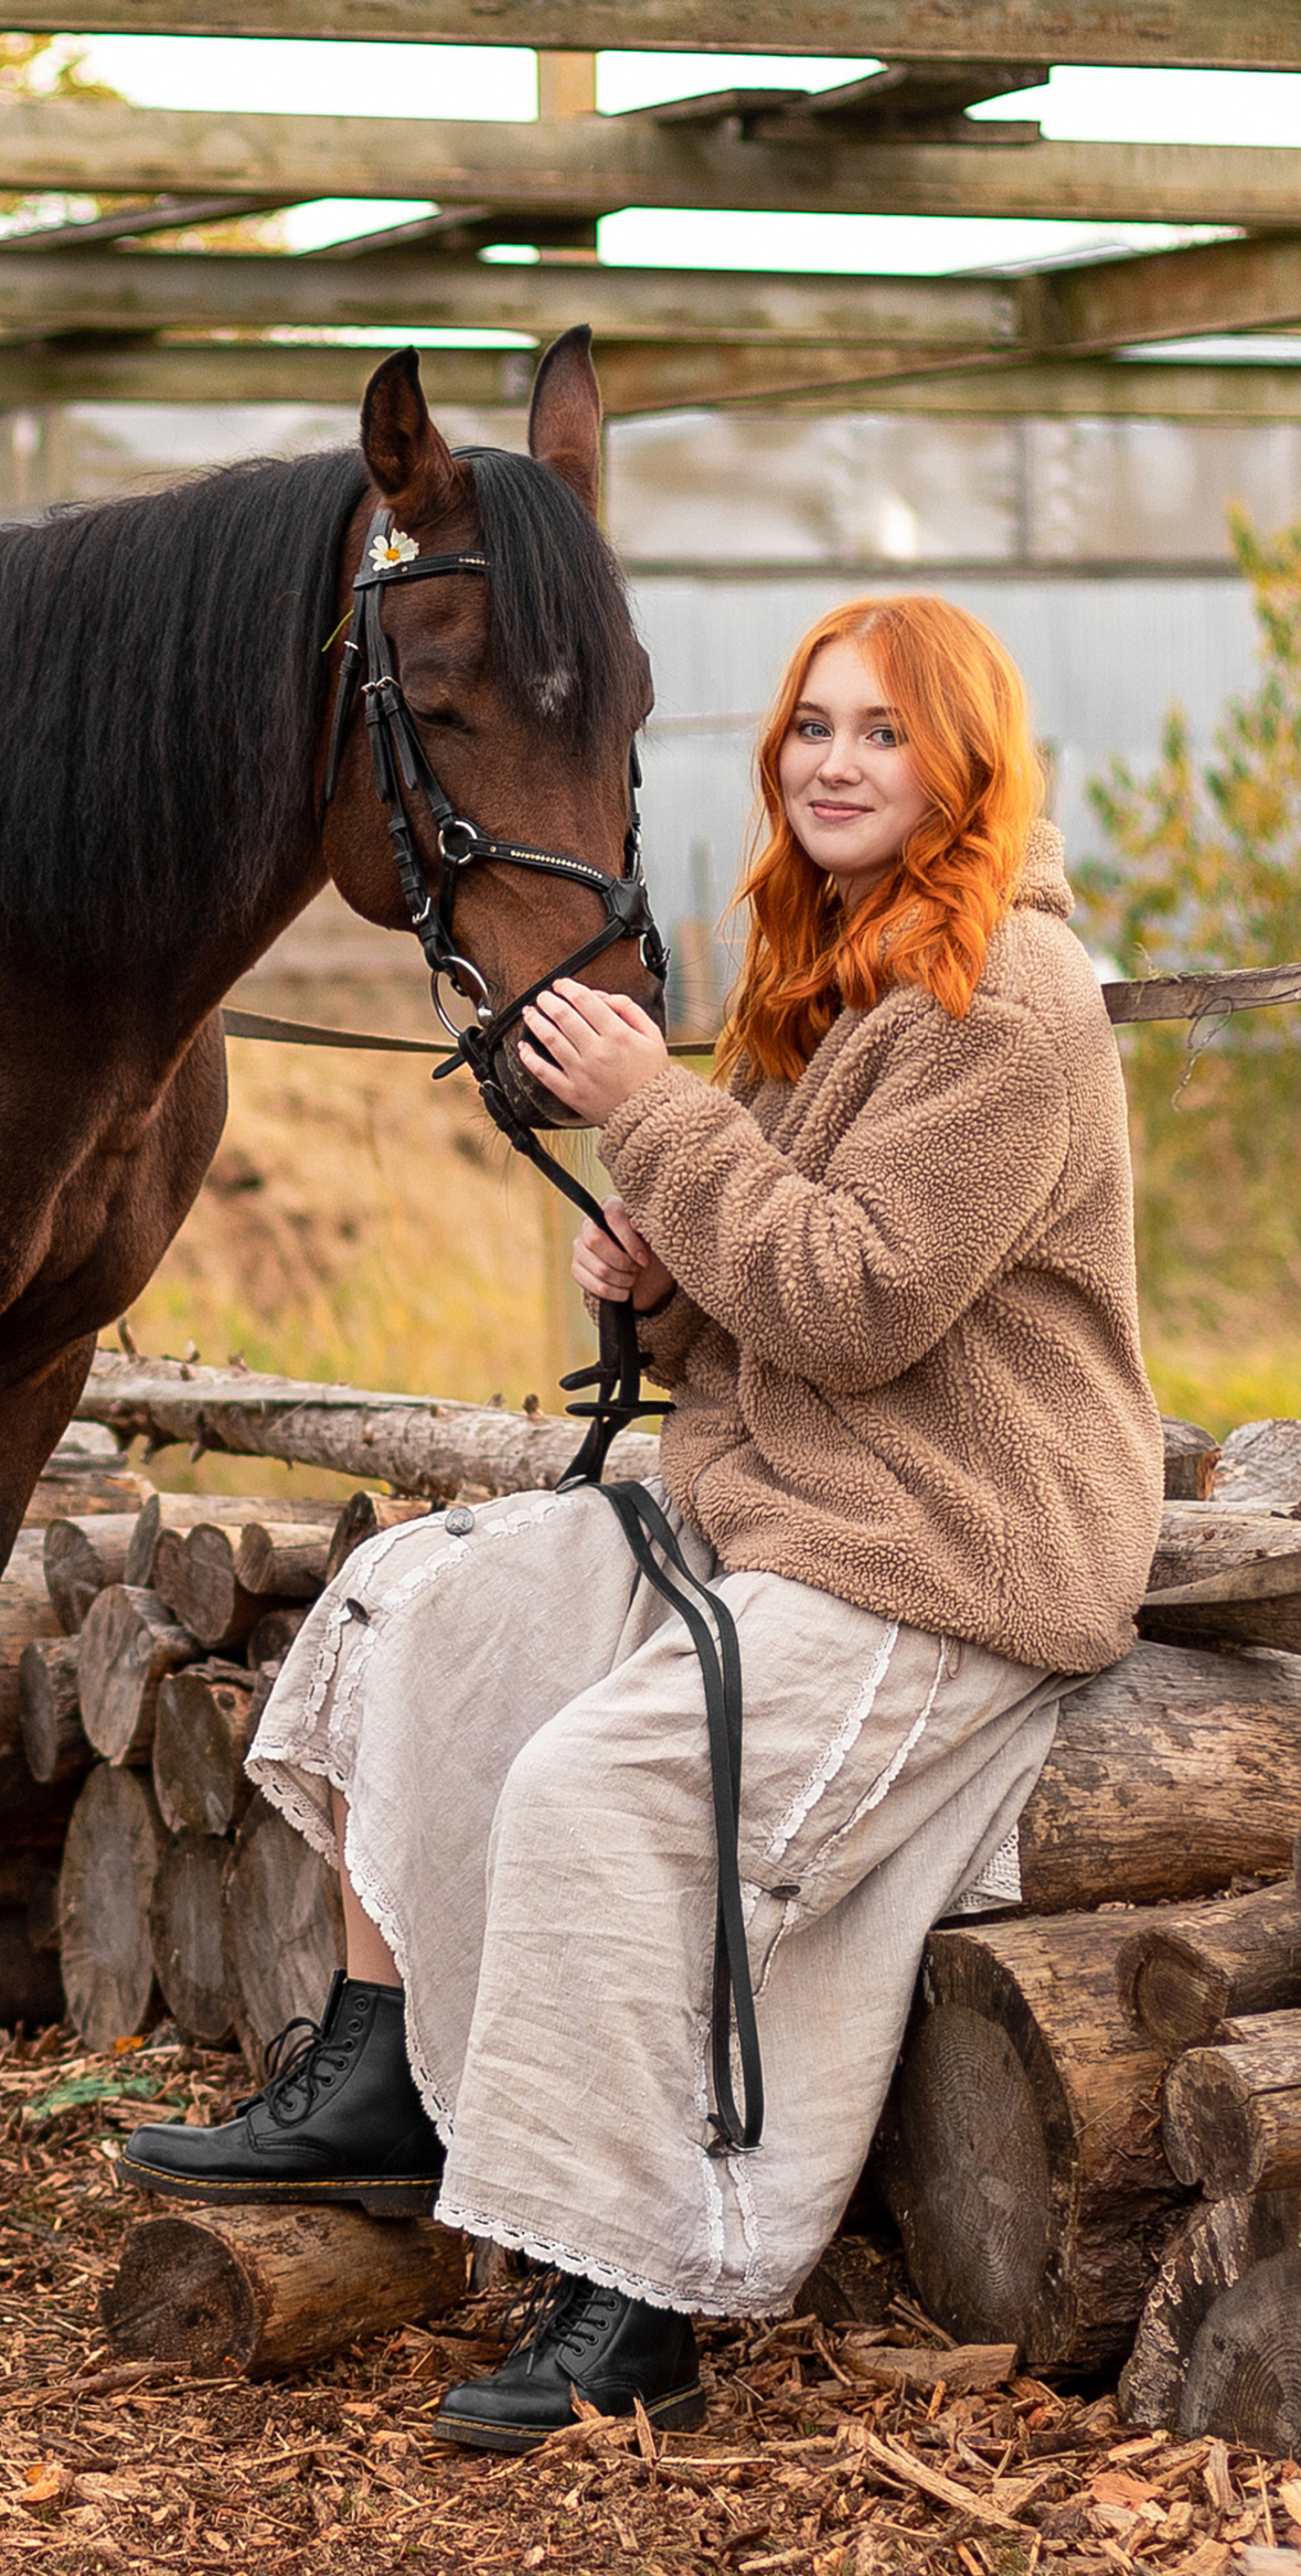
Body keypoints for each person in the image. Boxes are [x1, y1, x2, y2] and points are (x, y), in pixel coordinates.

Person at [124, 596, 1162, 2451]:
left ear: (964, 768)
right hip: (777, 1497)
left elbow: (853, 1300)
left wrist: (651, 1123)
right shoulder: (830, 958)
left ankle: (637, 2288)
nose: (831, 765)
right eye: (808, 729)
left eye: (880, 735)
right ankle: (379, 2072)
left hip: (947, 1546)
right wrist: (656, 1279)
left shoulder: (1003, 999)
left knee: (601, 1786)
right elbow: (767, 1288)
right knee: (403, 1599)